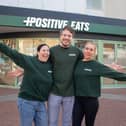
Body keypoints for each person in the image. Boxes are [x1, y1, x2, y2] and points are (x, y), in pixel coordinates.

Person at [72, 41, 126, 126]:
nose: (88, 51)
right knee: (75, 124)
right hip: (77, 101)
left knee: (89, 124)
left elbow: (116, 75)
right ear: (83, 49)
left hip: (91, 102)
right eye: (86, 48)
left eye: (91, 50)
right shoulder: (77, 63)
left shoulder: (97, 65)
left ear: (94, 52)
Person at [0, 42, 53, 126]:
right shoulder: (30, 61)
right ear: (38, 52)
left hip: (41, 103)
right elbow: (13, 54)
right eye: (43, 50)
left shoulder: (50, 66)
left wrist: (24, 71)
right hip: (27, 102)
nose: (46, 53)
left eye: (48, 51)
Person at [48, 25, 83, 126]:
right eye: (64, 35)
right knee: (52, 121)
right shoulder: (52, 50)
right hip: (54, 92)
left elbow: (89, 62)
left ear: (72, 37)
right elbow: (39, 62)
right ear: (60, 36)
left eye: (69, 35)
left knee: (67, 122)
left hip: (70, 93)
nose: (66, 37)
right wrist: (24, 69)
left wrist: (107, 66)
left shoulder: (77, 52)